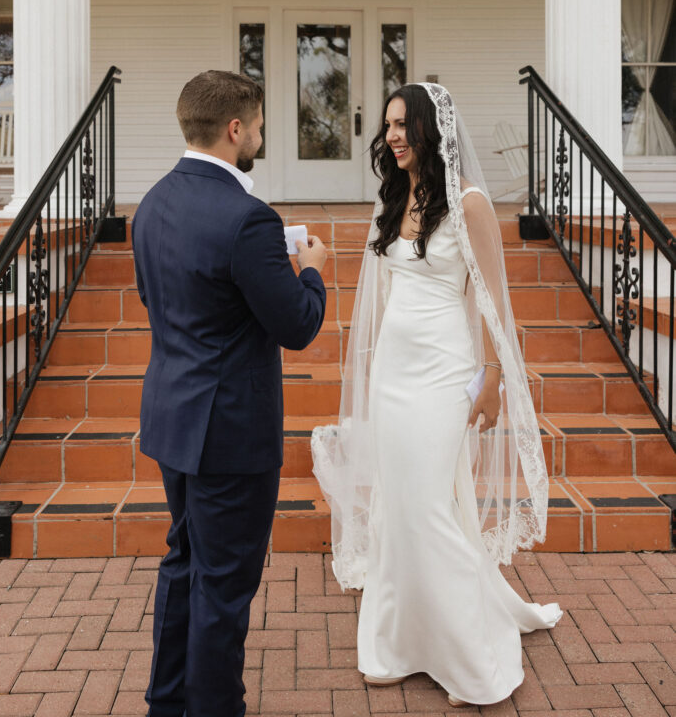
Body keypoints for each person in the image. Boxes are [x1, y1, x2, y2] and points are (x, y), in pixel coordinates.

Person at [312, 82, 561, 709]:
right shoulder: (397, 196)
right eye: (388, 126)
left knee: (426, 505)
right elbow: (388, 289)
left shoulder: (470, 205)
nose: (392, 135)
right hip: (394, 374)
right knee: (400, 505)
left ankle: (470, 656)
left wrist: (494, 380)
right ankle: (399, 642)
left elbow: (494, 300)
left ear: (431, 129)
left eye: (403, 125)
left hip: (447, 374)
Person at [132, 70, 328, 717]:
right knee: (223, 587)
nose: (263, 136)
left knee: (183, 564)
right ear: (235, 129)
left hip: (171, 416)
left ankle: (166, 704)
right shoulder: (248, 220)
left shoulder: (152, 202)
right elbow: (296, 326)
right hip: (231, 432)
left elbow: (168, 301)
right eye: (262, 126)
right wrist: (310, 272)